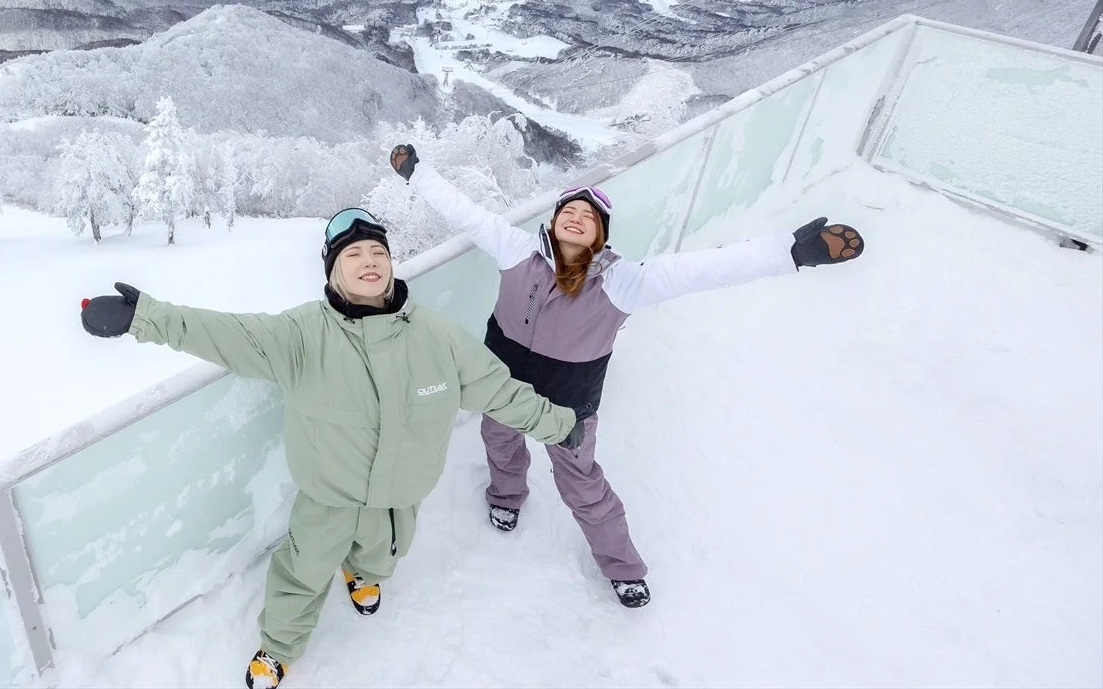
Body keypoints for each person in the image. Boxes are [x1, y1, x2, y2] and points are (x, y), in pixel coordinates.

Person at [79, 207, 582, 689]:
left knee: (386, 552)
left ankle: (363, 574)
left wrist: (559, 424)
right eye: (353, 255)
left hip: (401, 494)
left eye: (377, 253)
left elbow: (500, 390)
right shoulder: (301, 335)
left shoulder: (438, 337)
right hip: (327, 496)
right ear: (333, 272)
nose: (369, 261)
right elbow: (223, 333)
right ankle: (278, 647)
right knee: (302, 572)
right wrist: (145, 317)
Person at [387, 143, 864, 609]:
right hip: (503, 391)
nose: (577, 217)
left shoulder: (620, 282)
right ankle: (507, 495)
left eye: (589, 217)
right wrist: (417, 173)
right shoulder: (516, 252)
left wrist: (788, 253)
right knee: (500, 440)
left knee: (582, 483)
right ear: (552, 222)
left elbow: (703, 268)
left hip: (565, 408)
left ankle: (622, 567)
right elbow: (467, 213)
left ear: (600, 236)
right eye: (568, 210)